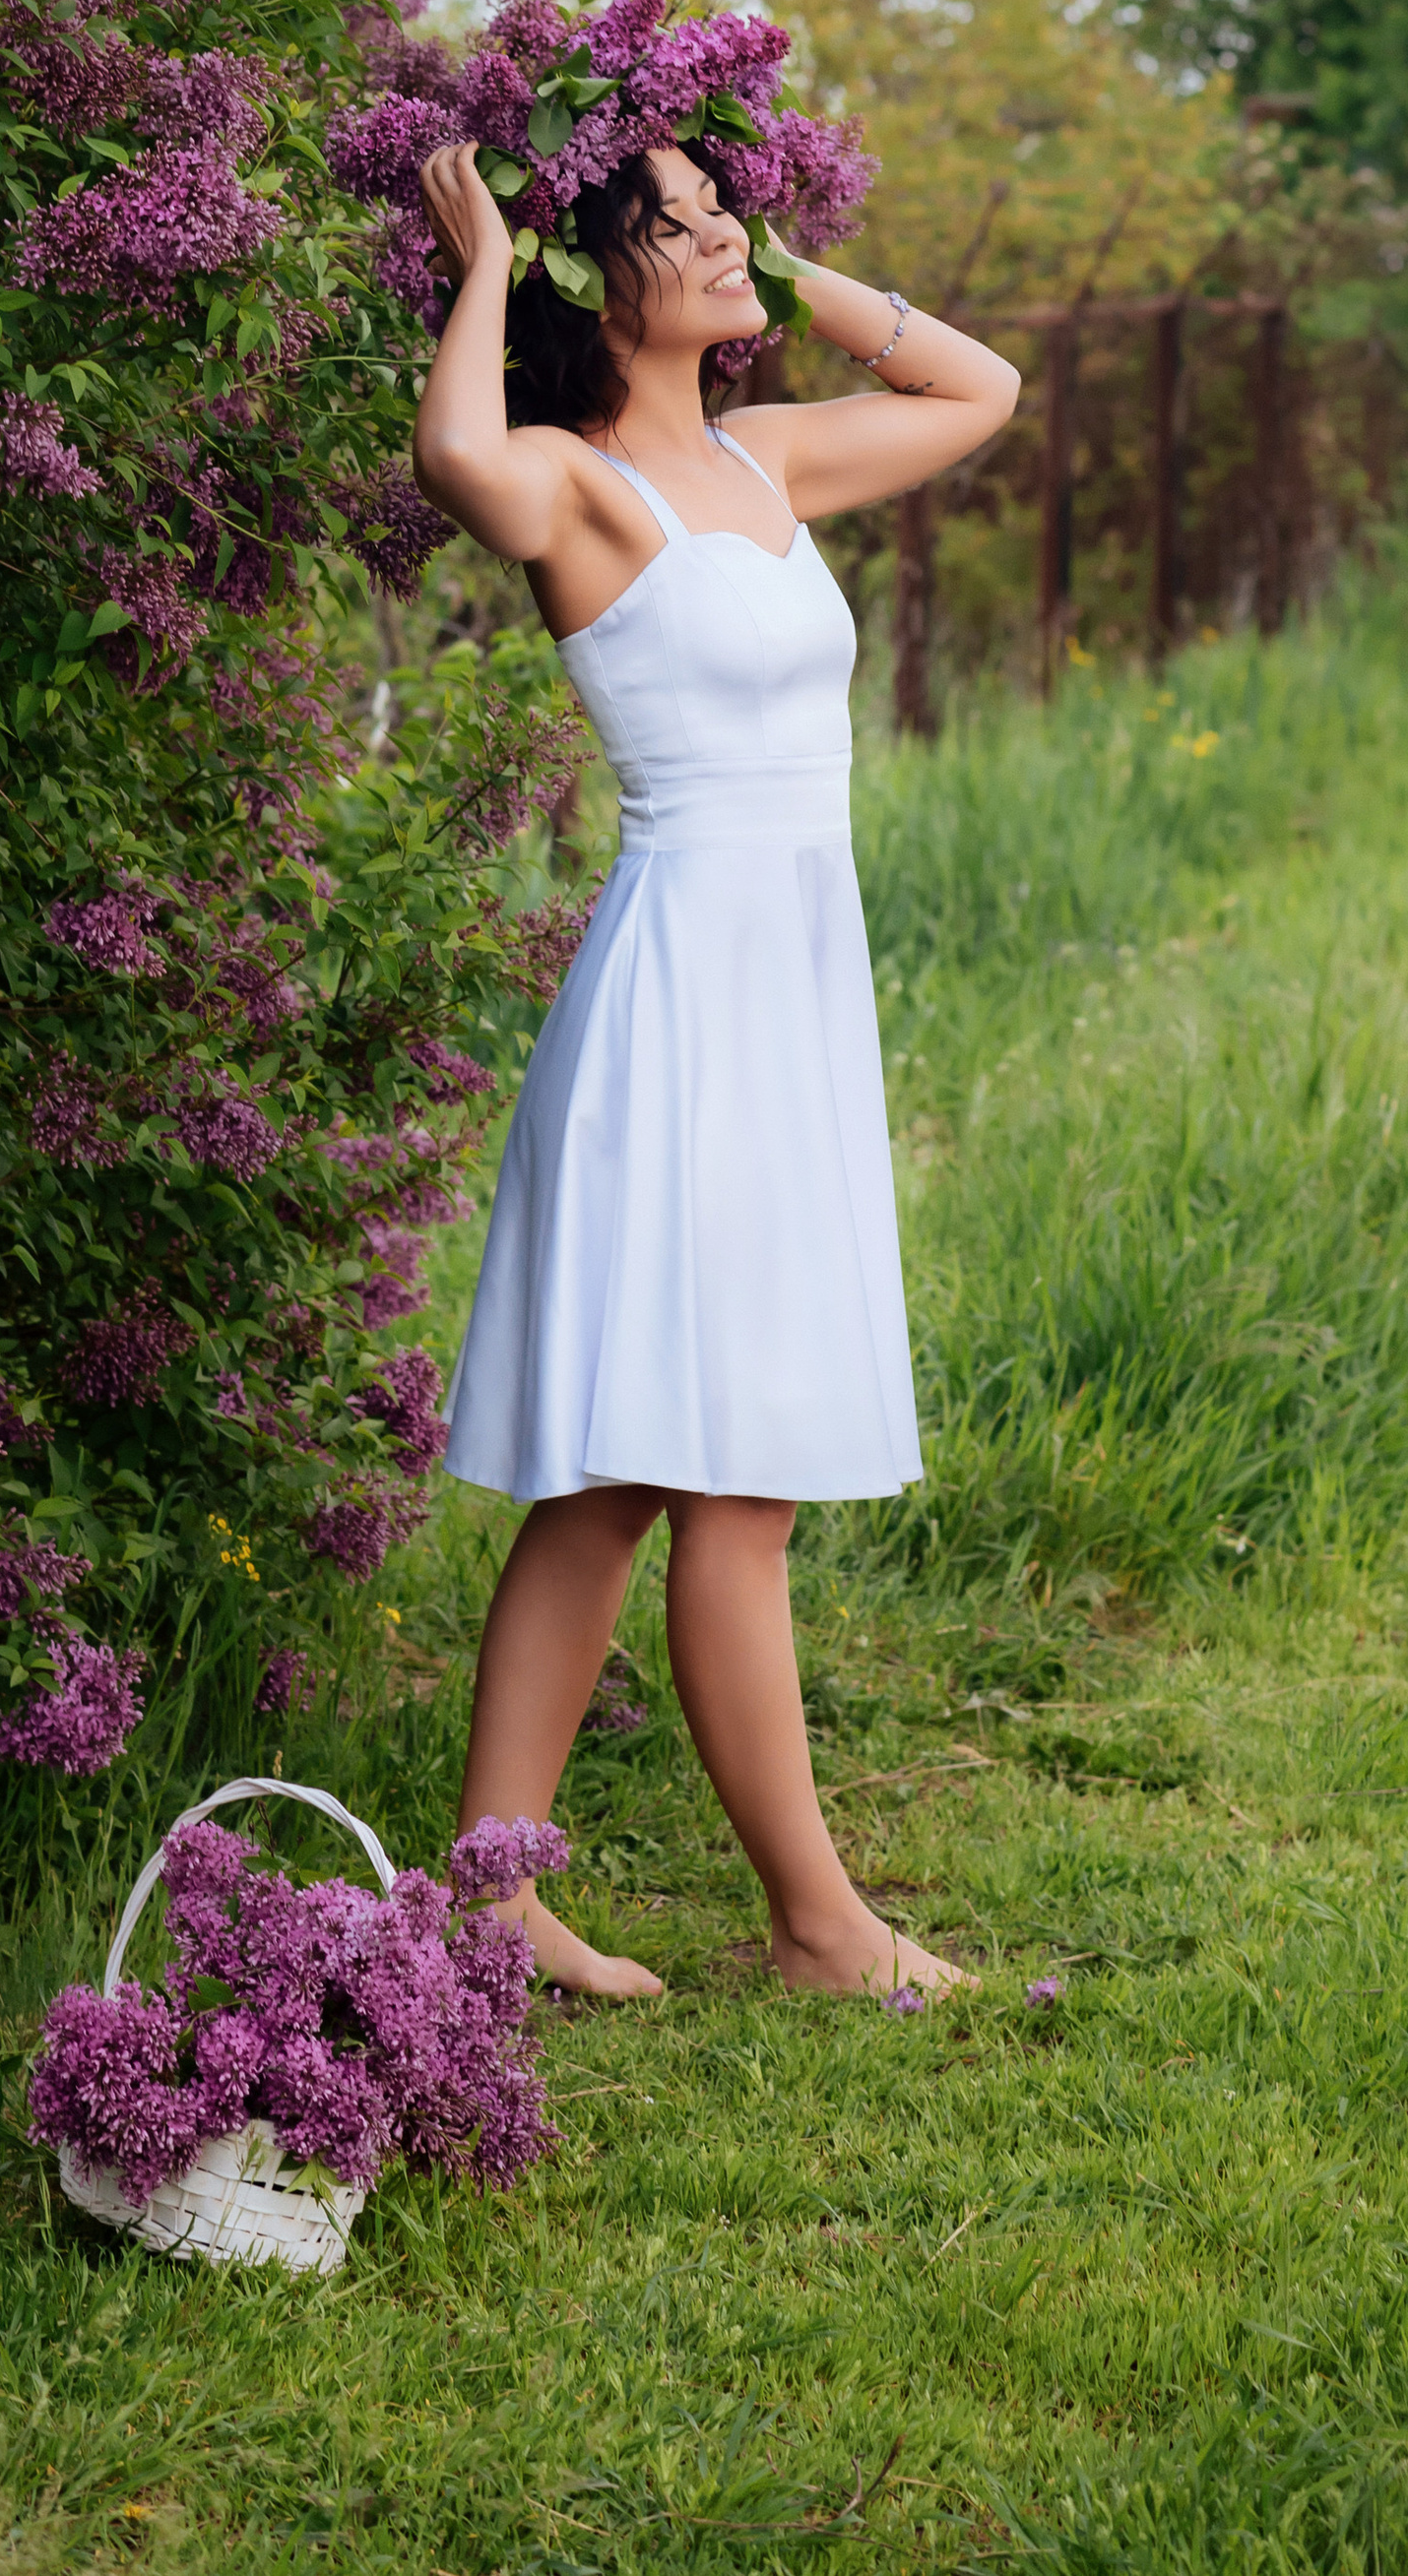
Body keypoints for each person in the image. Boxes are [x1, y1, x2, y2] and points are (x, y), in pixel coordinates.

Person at [411, 126, 1020, 2000]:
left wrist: (795, 242)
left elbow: (977, 384)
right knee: (685, 1472)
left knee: (626, 1476)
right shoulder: (585, 489)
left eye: (717, 205)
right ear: (604, 279)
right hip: (675, 1003)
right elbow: (455, 462)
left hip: (788, 999)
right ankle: (815, 1920)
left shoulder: (772, 458)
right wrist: (486, 260)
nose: (718, 236)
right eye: (675, 223)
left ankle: (493, 1900)